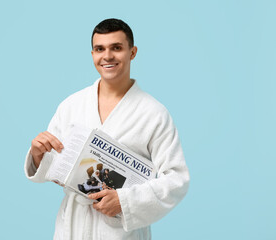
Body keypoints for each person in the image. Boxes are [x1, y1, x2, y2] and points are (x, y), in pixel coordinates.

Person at [24, 18, 190, 240]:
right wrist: (37, 156)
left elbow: (176, 180)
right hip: (72, 228)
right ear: (92, 54)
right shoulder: (72, 105)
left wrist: (125, 201)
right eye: (99, 49)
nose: (107, 56)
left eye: (117, 48)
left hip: (120, 231)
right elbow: (54, 168)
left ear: (133, 52)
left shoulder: (154, 113)